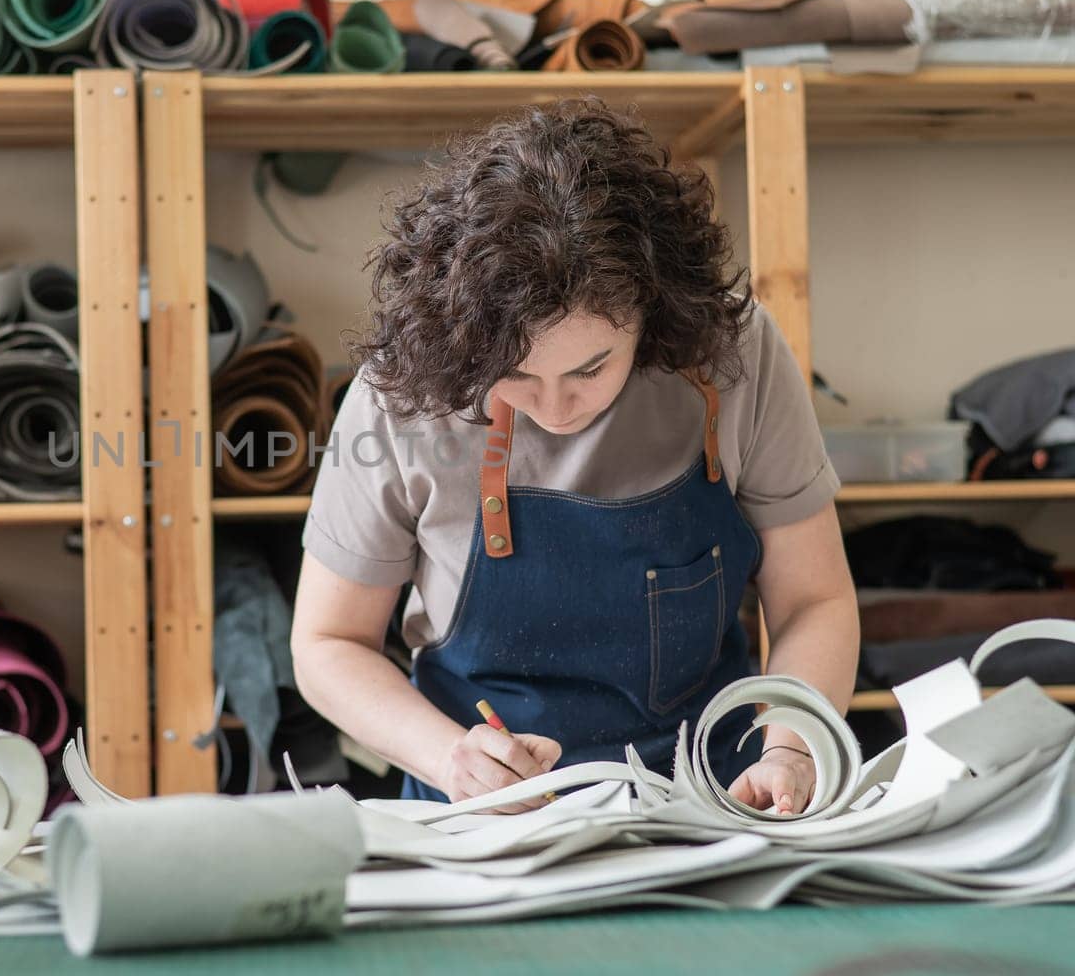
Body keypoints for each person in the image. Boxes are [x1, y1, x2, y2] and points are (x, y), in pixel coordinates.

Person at [290, 98, 858, 814]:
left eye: (590, 370)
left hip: (712, 803)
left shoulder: (734, 354)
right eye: (517, 376)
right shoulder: (400, 388)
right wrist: (450, 757)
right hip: (480, 818)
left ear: (653, 314)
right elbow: (327, 643)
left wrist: (790, 749)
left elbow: (815, 600)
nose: (556, 410)